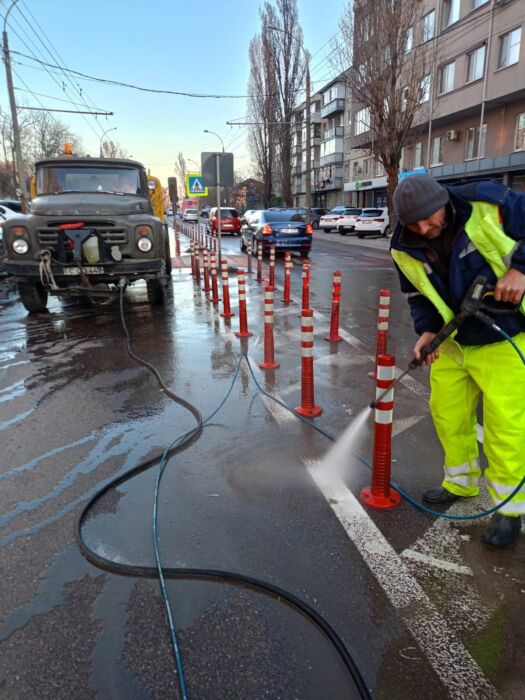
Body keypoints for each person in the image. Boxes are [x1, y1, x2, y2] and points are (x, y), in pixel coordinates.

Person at [391, 174, 525, 547]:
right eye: (413, 223)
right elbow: (418, 296)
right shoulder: (403, 246)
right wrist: (426, 331)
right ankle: (461, 482)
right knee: (448, 414)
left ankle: (510, 509)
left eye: (427, 218)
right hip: (454, 342)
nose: (422, 228)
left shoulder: (489, 204)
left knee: (505, 427)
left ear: (443, 202)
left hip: (505, 335)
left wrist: (520, 269)